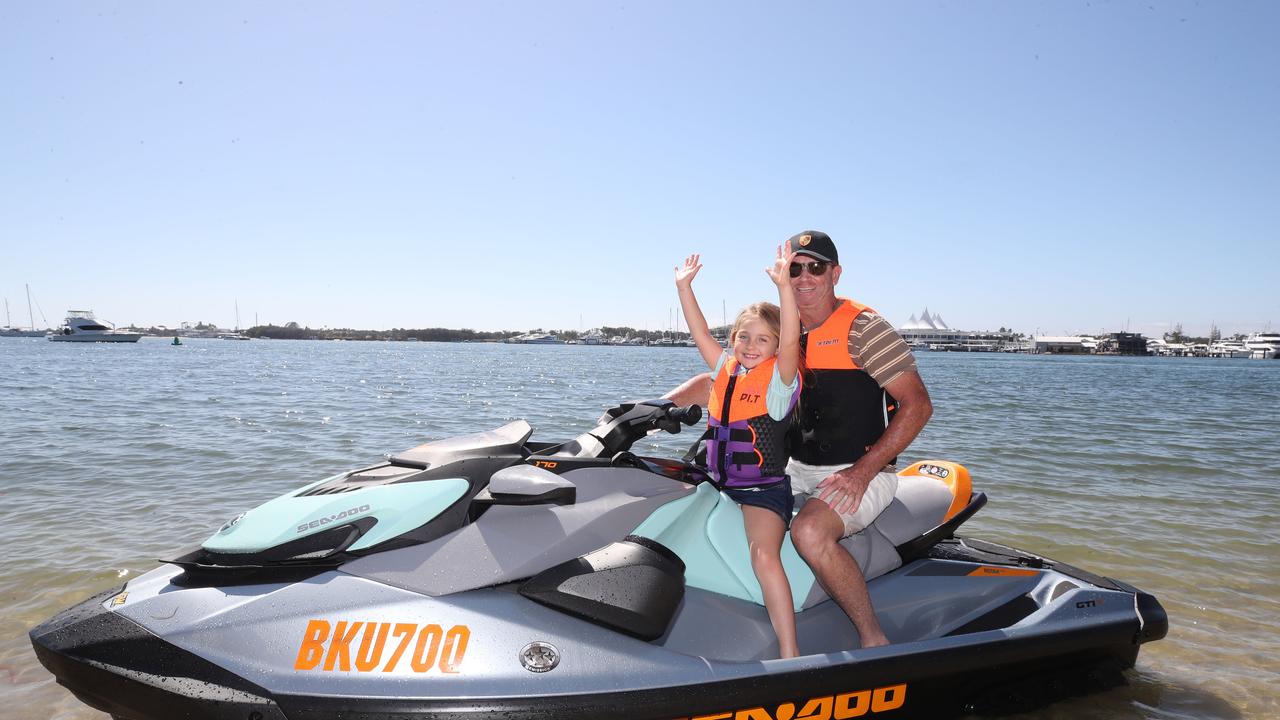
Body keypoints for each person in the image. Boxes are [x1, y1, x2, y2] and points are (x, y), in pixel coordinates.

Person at [666, 230, 932, 649]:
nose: (805, 276)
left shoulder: (864, 329)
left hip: (857, 472)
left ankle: (872, 638)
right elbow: (722, 378)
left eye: (816, 267)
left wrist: (863, 473)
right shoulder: (779, 328)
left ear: (835, 273)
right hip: (795, 468)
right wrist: (656, 406)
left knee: (808, 533)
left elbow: (917, 406)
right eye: (796, 267)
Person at [674, 247, 804, 658]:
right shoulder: (724, 371)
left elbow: (791, 342)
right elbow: (699, 333)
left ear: (775, 345)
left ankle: (790, 652)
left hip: (761, 490)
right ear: (732, 340)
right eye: (743, 336)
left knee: (764, 556)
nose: (751, 345)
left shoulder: (779, 386)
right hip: (714, 480)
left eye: (763, 339)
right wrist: (683, 288)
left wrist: (784, 286)